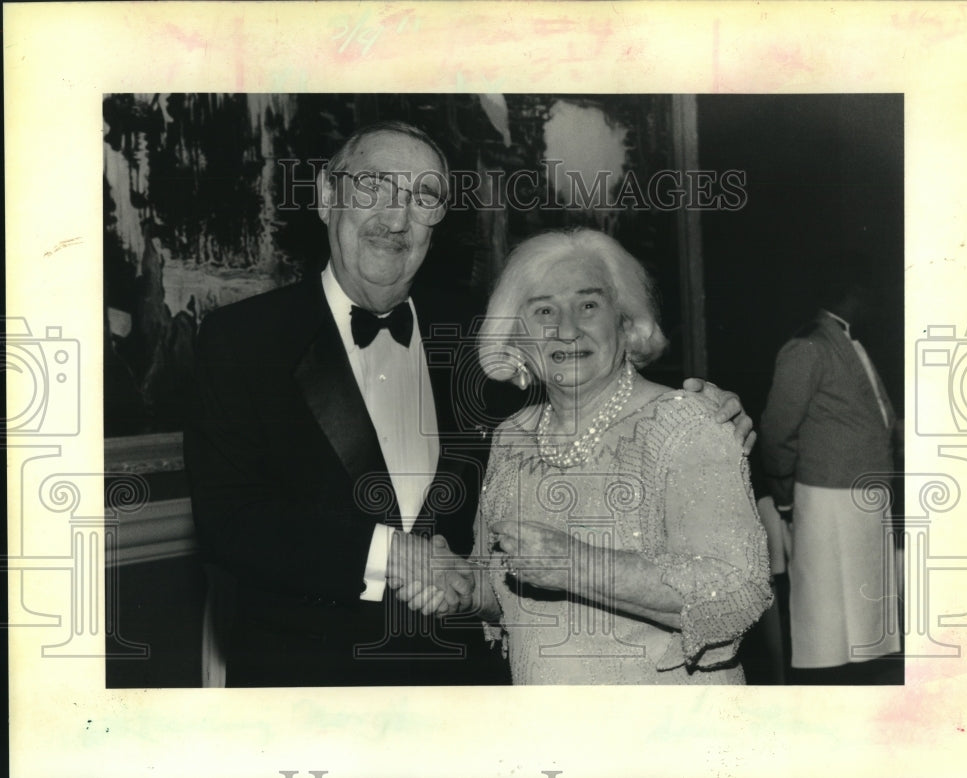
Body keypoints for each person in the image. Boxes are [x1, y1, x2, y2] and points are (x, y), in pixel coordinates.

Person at [185, 121, 755, 687]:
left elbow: (594, 389)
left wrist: (713, 409)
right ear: (326, 197)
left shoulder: (479, 337)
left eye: (423, 197)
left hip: (460, 682)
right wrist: (392, 555)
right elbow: (228, 521)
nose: (397, 217)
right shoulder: (243, 339)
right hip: (306, 685)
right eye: (374, 187)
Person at [464, 228, 772, 685]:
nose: (567, 329)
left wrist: (581, 565)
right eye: (544, 310)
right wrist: (457, 586)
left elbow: (738, 591)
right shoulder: (510, 439)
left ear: (626, 324)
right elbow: (506, 591)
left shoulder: (686, 424)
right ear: (518, 339)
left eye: (589, 305)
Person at [759, 258, 902, 684]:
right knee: (825, 624)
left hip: (860, 502)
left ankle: (856, 683)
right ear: (850, 294)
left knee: (862, 621)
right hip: (824, 500)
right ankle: (826, 693)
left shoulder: (847, 343)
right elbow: (777, 430)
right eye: (869, 295)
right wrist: (785, 496)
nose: (875, 305)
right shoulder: (808, 347)